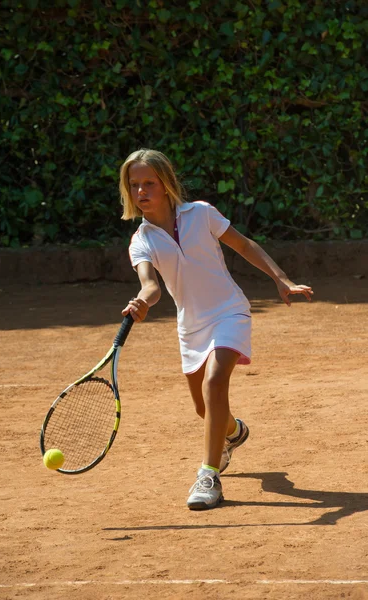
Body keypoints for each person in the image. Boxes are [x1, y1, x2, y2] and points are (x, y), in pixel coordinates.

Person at [120, 148, 313, 511]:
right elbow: (151, 286)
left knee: (214, 383)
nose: (141, 191)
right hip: (190, 327)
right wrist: (143, 300)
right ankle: (234, 432)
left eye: (149, 183)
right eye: (134, 185)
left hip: (230, 311)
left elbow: (243, 244)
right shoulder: (141, 240)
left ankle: (208, 476)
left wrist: (281, 279)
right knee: (204, 408)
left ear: (166, 184)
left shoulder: (202, 214)